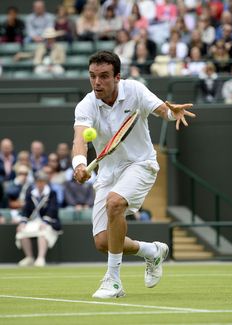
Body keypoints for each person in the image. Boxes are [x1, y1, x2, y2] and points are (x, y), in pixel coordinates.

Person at [72, 50, 195, 299]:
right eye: (93, 76)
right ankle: (152, 251)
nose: (97, 82)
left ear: (118, 77)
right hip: (108, 173)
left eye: (104, 76)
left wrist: (173, 113)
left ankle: (114, 282)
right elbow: (79, 139)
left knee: (115, 203)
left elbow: (163, 110)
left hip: (141, 164)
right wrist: (79, 164)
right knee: (103, 242)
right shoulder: (86, 104)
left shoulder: (135, 90)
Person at [16, 170, 61, 267]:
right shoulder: (30, 193)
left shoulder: (52, 193)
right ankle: (29, 257)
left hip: (49, 222)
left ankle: (41, 258)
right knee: (22, 232)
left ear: (45, 182)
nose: (40, 184)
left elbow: (53, 209)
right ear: (35, 182)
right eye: (38, 181)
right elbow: (26, 209)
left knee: (43, 232)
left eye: (42, 181)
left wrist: (45, 221)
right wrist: (23, 222)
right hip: (34, 222)